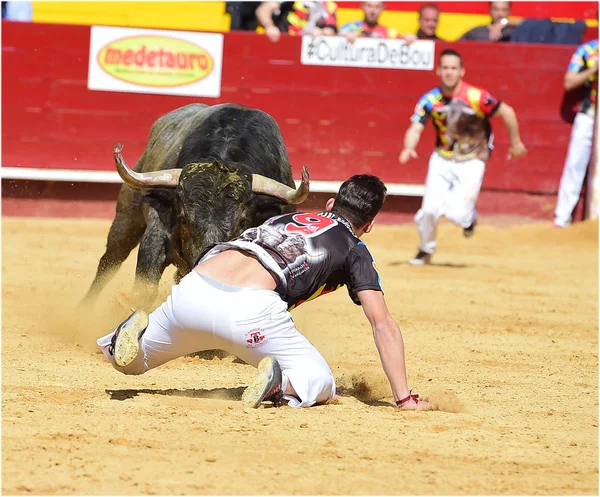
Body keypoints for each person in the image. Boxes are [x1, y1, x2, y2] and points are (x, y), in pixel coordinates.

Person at [97, 174, 433, 411]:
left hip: (193, 288)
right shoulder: (354, 248)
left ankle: (129, 337)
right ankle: (280, 384)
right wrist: (403, 398)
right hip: (250, 311)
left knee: (131, 365)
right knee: (320, 382)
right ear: (370, 224)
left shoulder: (284, 219)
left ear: (331, 204)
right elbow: (382, 323)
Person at [399, 48, 528, 265]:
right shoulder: (431, 99)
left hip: (473, 159)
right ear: (438, 71)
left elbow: (507, 112)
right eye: (445, 68)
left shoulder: (477, 97)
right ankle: (425, 249)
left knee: (458, 214)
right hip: (442, 158)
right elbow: (415, 127)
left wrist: (515, 142)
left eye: (453, 68)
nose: (449, 72)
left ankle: (469, 218)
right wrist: (408, 146)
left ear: (462, 72)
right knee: (429, 210)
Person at [554, 39, 599, 228]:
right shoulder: (588, 50)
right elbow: (569, 81)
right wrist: (593, 70)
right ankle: (561, 220)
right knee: (574, 166)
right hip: (589, 115)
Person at [256, 1, 338, 43]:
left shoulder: (328, 5)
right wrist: (270, 26)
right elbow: (263, 9)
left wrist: (321, 33)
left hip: (304, 50)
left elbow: (331, 29)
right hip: (281, 43)